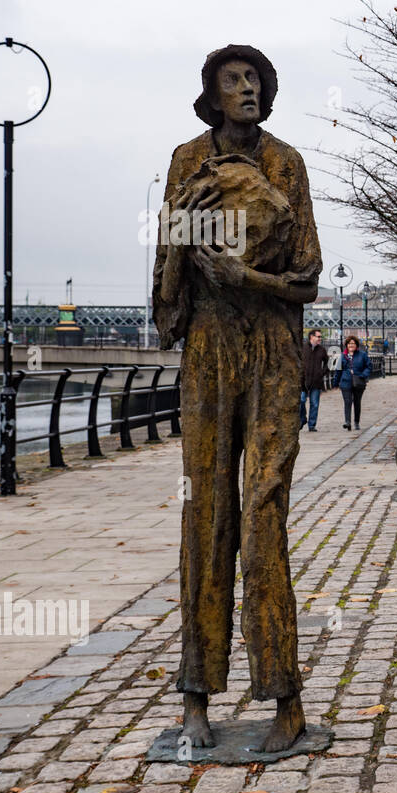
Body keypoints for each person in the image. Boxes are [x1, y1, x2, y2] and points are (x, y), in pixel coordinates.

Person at [152, 44, 319, 752]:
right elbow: (166, 305)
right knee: (206, 515)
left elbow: (308, 279)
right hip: (209, 355)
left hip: (274, 353)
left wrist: (247, 278)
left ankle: (284, 698)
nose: (246, 88)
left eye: (254, 79)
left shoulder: (287, 164)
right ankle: (195, 694)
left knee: (264, 515)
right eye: (233, 81)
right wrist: (178, 237)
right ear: (214, 96)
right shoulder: (187, 162)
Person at [336, 335, 371, 430]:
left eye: (353, 343)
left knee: (357, 402)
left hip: (359, 381)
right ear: (346, 345)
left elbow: (368, 367)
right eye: (349, 343)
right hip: (345, 382)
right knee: (347, 402)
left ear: (356, 345)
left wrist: (363, 375)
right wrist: (336, 382)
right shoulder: (342, 356)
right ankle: (347, 422)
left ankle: (356, 422)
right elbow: (338, 370)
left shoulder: (362, 355)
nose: (351, 345)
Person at [300, 329, 329, 431]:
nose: (320, 338)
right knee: (301, 401)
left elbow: (327, 362)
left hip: (316, 381)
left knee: (314, 404)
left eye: (320, 337)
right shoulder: (302, 348)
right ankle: (302, 419)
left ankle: (312, 425)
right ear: (311, 337)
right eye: (318, 336)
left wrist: (322, 373)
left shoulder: (322, 350)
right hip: (303, 381)